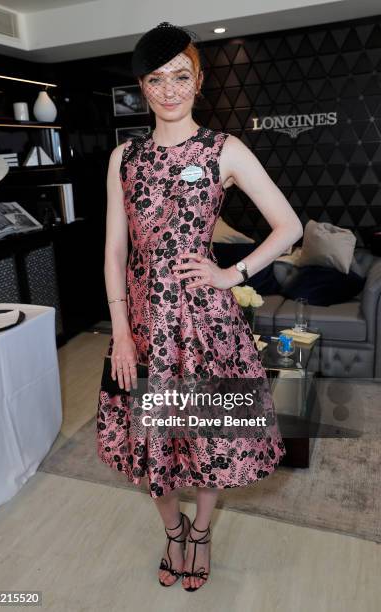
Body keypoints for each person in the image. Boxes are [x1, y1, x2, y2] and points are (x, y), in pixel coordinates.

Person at [96, 21, 303, 592]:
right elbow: (115, 252)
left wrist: (229, 273)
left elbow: (288, 227)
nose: (169, 90)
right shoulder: (125, 158)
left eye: (181, 77)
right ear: (143, 87)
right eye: (156, 80)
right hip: (141, 322)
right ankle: (174, 530)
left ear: (199, 80)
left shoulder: (223, 150)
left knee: (208, 437)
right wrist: (120, 329)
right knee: (152, 439)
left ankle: (203, 531)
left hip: (207, 323)